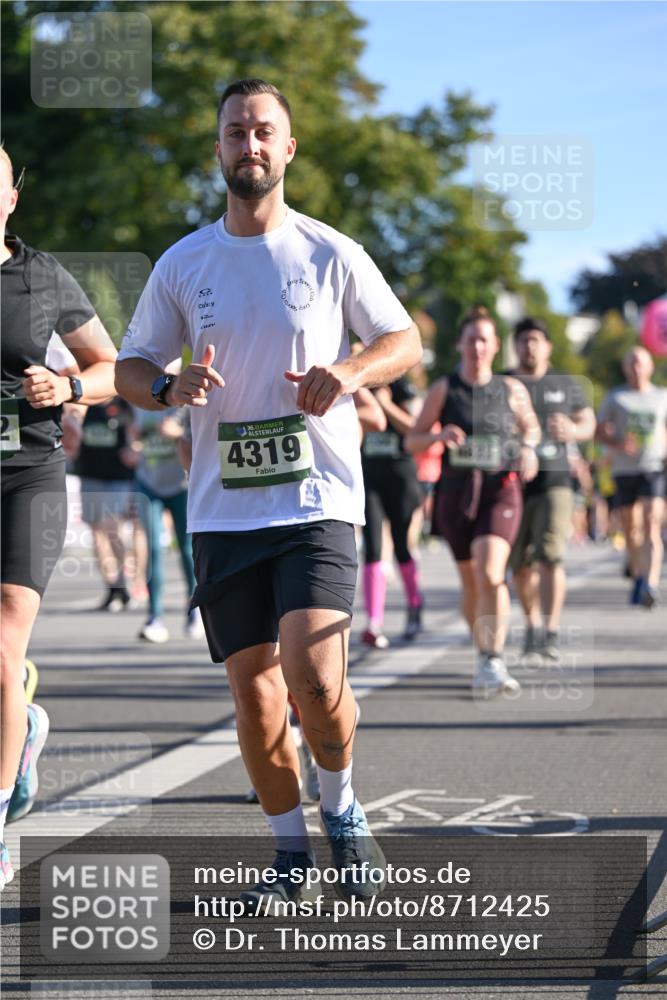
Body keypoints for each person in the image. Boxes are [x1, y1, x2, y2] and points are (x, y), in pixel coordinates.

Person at [115, 78, 422, 909]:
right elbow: (130, 366)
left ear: (288, 149)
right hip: (222, 509)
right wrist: (169, 389)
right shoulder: (184, 263)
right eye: (234, 133)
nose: (248, 146)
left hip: (317, 498)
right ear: (217, 150)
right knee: (255, 701)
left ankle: (342, 804)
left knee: (315, 682)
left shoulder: (331, 252)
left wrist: (351, 370)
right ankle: (289, 856)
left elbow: (404, 337)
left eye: (263, 133)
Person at [0, 147, 117, 889]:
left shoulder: (41, 274)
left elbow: (112, 367)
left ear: (11, 197)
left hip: (27, 474)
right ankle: (24, 734)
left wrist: (66, 385)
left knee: (3, 634)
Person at [405, 307, 540, 696]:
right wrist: (437, 437)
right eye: (472, 339)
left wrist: (529, 447)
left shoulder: (510, 390)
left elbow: (530, 426)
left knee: (490, 571)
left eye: (485, 339)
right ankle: (484, 651)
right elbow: (411, 440)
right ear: (460, 345)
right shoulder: (445, 389)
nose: (478, 346)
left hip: (500, 489)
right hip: (456, 493)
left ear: (495, 347)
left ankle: (494, 658)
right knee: (470, 578)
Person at [507, 318, 596, 660]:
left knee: (551, 556)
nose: (530, 346)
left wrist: (573, 429)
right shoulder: (505, 382)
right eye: (524, 340)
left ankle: (551, 630)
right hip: (514, 483)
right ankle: (531, 625)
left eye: (536, 340)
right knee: (520, 565)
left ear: (548, 347)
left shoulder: (565, 383)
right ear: (515, 345)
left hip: (555, 480)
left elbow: (589, 422)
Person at [596, 346, 667, 608]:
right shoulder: (616, 398)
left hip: (653, 467)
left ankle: (650, 584)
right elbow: (598, 432)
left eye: (641, 362)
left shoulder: (662, 396)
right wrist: (617, 445)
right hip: (624, 470)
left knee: (651, 525)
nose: (637, 367)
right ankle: (637, 574)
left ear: (650, 366)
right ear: (626, 368)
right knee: (631, 529)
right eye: (632, 363)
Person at [129, 403, 203, 642]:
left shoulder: (184, 396)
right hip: (148, 482)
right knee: (152, 548)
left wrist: (179, 433)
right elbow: (132, 432)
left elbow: (204, 435)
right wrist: (133, 441)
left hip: (180, 484)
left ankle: (194, 611)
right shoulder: (138, 394)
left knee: (186, 548)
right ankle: (154, 617)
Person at [360, 378, 424, 647]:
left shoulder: (402, 387)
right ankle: (374, 623)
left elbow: (415, 430)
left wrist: (384, 405)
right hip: (369, 477)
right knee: (373, 547)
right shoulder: (358, 385)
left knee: (401, 547)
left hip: (401, 478)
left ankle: (414, 606)